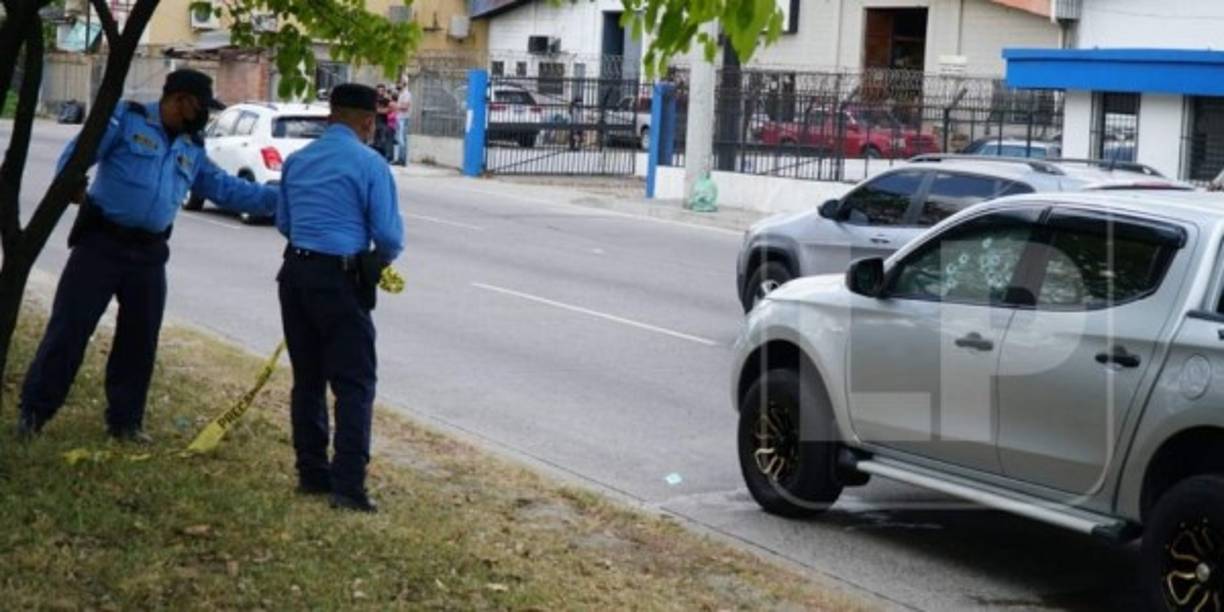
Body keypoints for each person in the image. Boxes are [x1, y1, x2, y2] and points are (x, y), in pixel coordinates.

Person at [18, 69, 278, 442]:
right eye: (202, 106)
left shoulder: (191, 144)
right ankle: (34, 411)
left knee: (139, 341)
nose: (205, 115)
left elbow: (225, 188)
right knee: (69, 330)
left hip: (149, 252)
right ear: (181, 100)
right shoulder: (127, 118)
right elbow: (77, 155)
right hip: (101, 244)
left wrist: (280, 199)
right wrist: (71, 183)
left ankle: (125, 422)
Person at [275, 83, 404, 513]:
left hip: (295, 274)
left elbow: (284, 222)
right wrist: (375, 262)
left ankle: (312, 473)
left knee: (307, 379)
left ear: (331, 116)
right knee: (354, 384)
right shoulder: (370, 164)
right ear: (368, 122)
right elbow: (388, 235)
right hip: (340, 279)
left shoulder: (298, 160)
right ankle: (348, 487)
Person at [394, 81, 412, 166]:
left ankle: (403, 160)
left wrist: (396, 106)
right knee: (399, 139)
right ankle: (400, 159)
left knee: (402, 139)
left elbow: (405, 107)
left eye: (398, 84)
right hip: (399, 118)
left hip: (403, 118)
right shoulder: (401, 94)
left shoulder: (406, 94)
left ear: (403, 84)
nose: (397, 85)